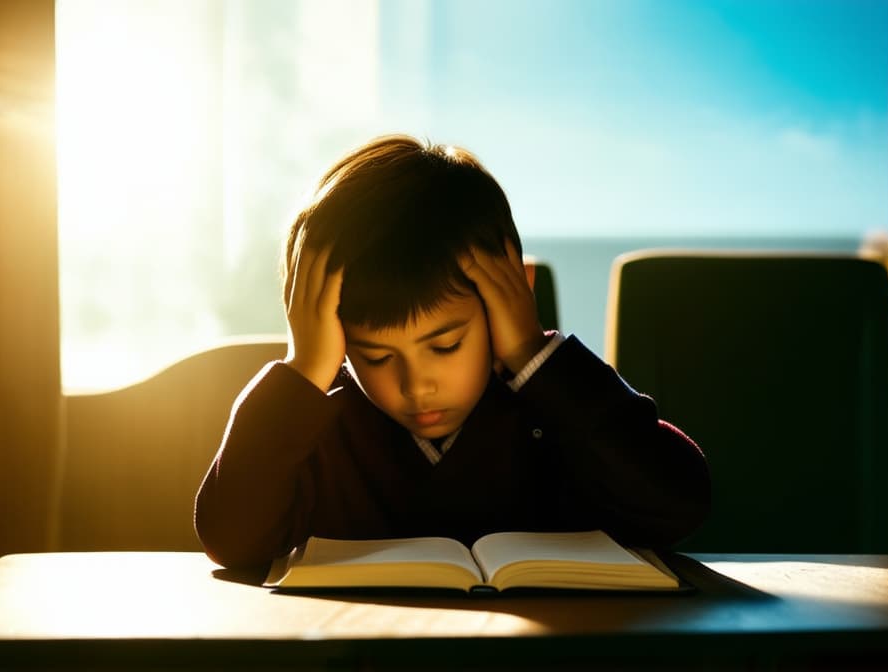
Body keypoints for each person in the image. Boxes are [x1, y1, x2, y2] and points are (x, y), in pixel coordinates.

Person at [195, 135, 710, 569]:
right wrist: (303, 371)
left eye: (445, 344)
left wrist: (533, 352)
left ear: (509, 300)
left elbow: (676, 506)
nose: (416, 385)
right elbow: (232, 540)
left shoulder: (558, 406)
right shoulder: (315, 428)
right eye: (374, 356)